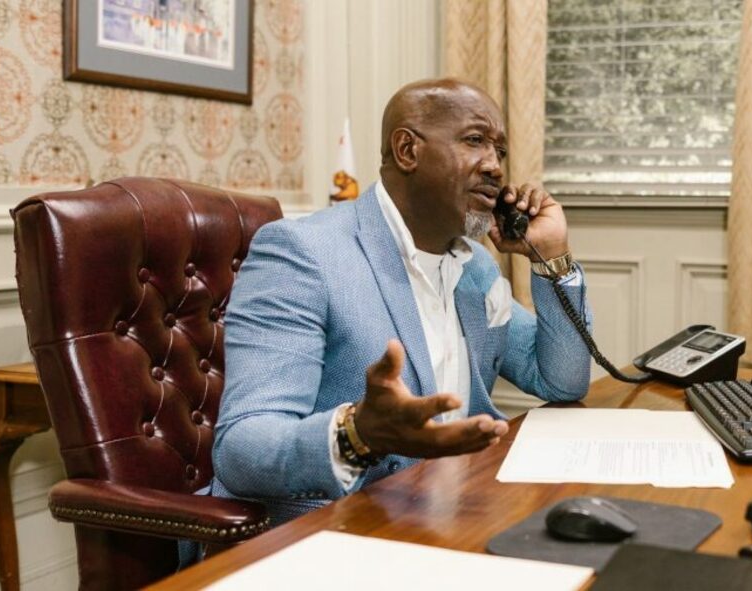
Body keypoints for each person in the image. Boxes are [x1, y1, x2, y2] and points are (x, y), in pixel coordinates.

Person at [211, 78, 593, 525]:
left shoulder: (476, 268)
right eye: (475, 141)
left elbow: (561, 380)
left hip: (453, 509)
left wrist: (551, 256)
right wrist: (356, 435)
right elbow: (240, 448)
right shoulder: (303, 253)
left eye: (500, 151)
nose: (494, 167)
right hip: (336, 529)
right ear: (407, 150)